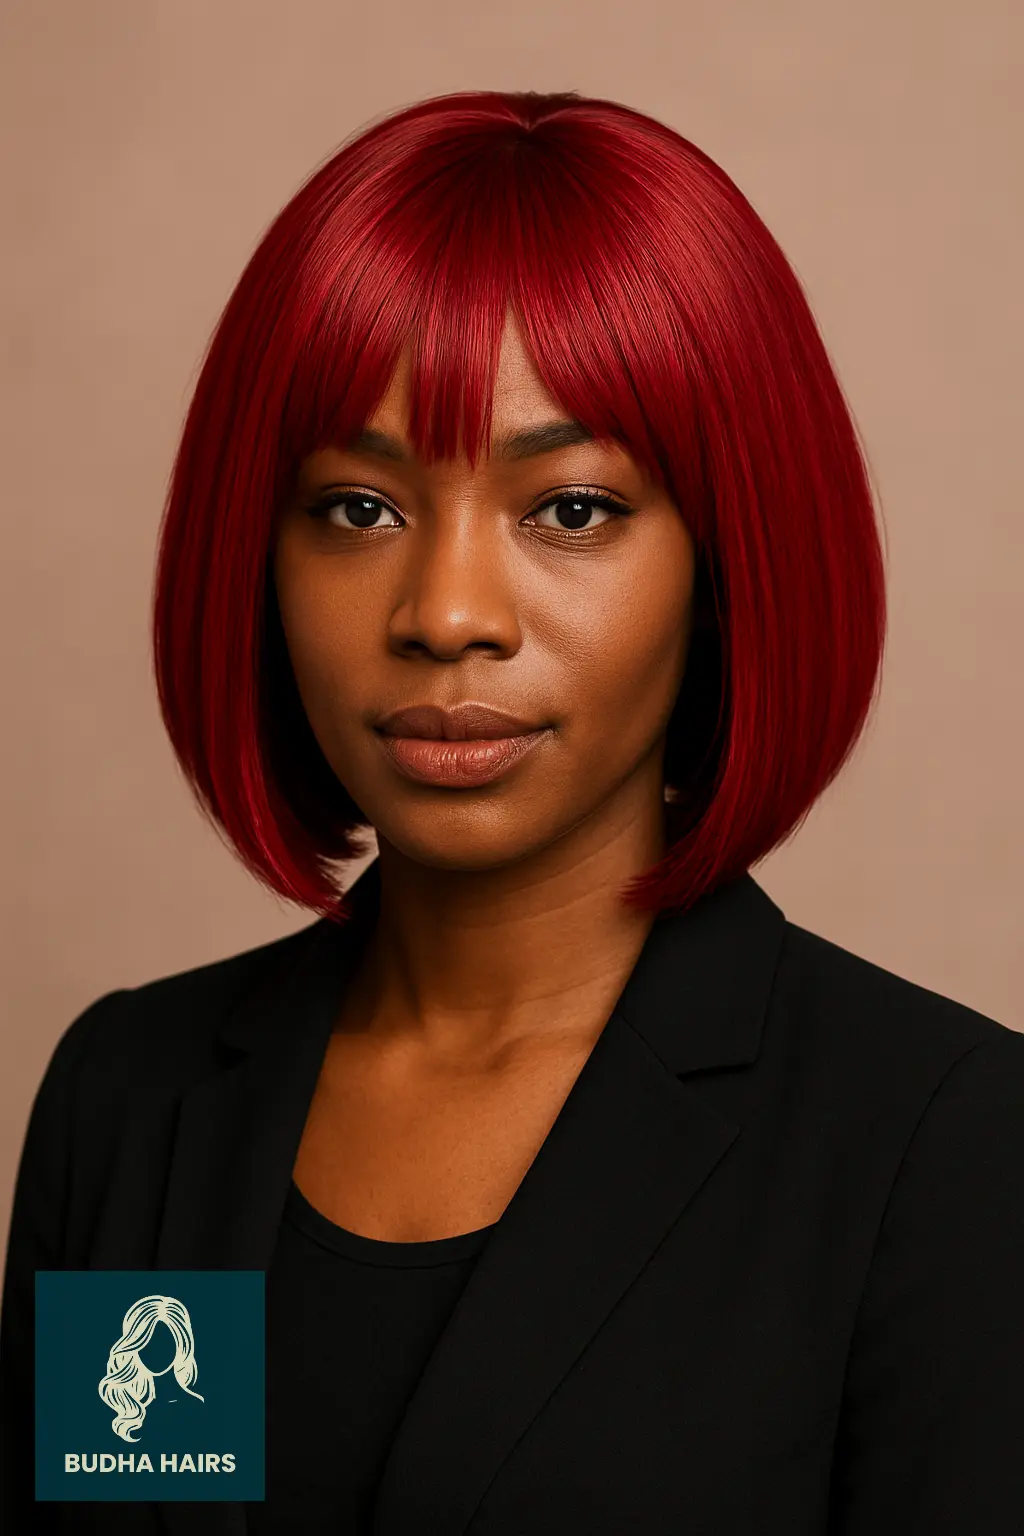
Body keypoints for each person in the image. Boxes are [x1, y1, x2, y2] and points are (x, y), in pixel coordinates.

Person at [2, 87, 1022, 1535]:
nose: (446, 613)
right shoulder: (133, 1096)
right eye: (360, 508)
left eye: (572, 510)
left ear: (729, 561)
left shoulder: (946, 1150)